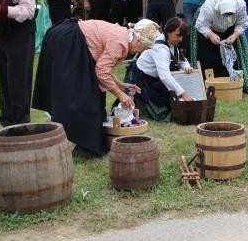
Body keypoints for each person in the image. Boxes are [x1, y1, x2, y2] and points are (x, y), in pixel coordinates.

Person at [32, 19, 159, 155]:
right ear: (138, 40)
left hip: (69, 37)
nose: (140, 51)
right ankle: (71, 140)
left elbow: (102, 67)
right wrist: (121, 95)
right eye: (143, 48)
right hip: (69, 41)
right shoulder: (120, 42)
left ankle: (78, 142)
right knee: (78, 96)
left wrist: (120, 85)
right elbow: (101, 72)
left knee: (87, 94)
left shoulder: (122, 36)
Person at [127, 17, 195, 120]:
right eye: (178, 35)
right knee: (161, 112)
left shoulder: (169, 42)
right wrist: (184, 94)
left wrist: (186, 66)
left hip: (153, 80)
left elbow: (179, 58)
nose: (180, 39)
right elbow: (165, 76)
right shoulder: (160, 48)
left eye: (182, 36)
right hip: (140, 80)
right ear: (168, 32)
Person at [194, 0, 248, 78]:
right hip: (209, 29)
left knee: (230, 58)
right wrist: (211, 35)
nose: (227, 16)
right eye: (225, 14)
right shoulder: (209, 7)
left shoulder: (240, 5)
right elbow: (201, 25)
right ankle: (209, 83)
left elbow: (243, 23)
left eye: (230, 14)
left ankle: (229, 80)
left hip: (229, 30)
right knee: (209, 59)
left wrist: (235, 35)